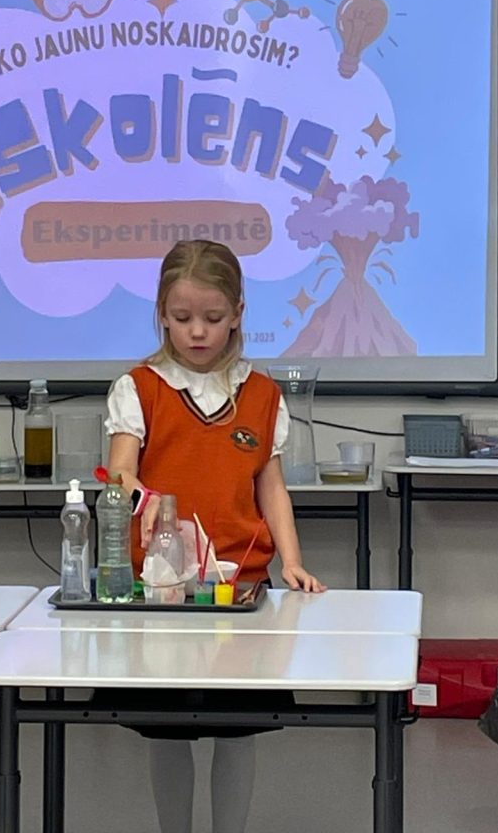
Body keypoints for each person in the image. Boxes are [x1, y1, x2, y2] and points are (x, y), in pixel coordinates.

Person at [106, 238, 325, 833]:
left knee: (237, 728)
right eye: (182, 318)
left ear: (238, 314)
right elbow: (120, 471)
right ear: (161, 314)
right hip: (163, 590)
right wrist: (144, 498)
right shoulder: (139, 387)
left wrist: (292, 561)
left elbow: (271, 488)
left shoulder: (262, 394)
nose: (197, 332)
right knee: (166, 728)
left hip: (240, 588)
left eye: (212, 317)